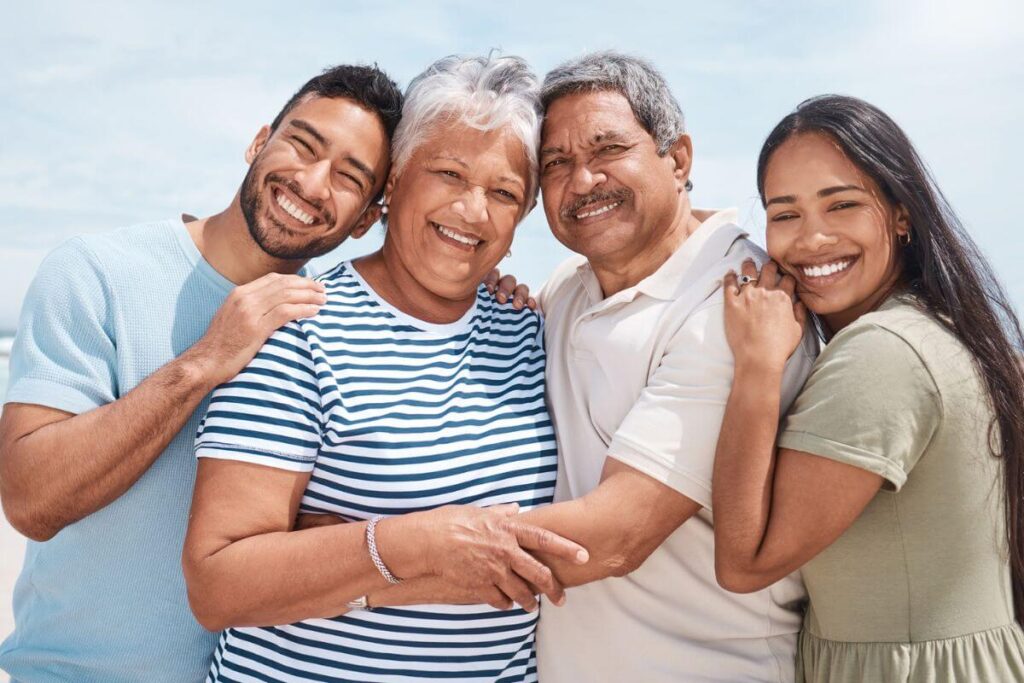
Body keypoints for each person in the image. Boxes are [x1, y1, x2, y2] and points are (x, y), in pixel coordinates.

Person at [0, 64, 525, 682]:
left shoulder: (311, 315)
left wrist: (473, 269)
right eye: (302, 145)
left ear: (365, 218)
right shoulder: (97, 272)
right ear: (258, 142)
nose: (311, 182)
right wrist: (202, 363)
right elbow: (32, 501)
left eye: (350, 178)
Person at [182, 54, 587, 683]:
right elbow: (218, 583)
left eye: (504, 192)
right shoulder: (299, 327)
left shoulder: (534, 332)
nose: (473, 210)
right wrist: (414, 548)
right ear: (394, 180)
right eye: (450, 173)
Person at [493, 52, 816, 682]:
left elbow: (613, 536)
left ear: (679, 158)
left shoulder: (739, 301)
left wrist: (371, 548)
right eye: (556, 164)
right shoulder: (564, 289)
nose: (583, 180)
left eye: (608, 148)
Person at [712, 94, 1024, 681]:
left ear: (902, 214)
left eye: (842, 205)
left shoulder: (883, 354)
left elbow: (745, 562)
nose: (812, 239)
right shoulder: (940, 328)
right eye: (785, 214)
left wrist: (756, 364)